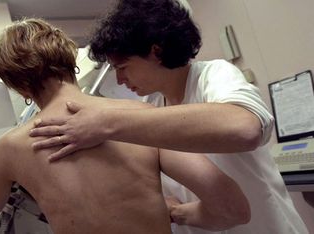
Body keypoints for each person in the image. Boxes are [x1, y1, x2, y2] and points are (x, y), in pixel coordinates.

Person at [28, 0, 309, 233]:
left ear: (156, 52)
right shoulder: (151, 104)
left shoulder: (214, 75)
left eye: (123, 66)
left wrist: (107, 122)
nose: (121, 79)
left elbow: (244, 128)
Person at [0, 18, 251, 234]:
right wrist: (177, 213)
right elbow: (233, 208)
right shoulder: (141, 119)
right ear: (71, 62)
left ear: (20, 87)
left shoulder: (9, 149)